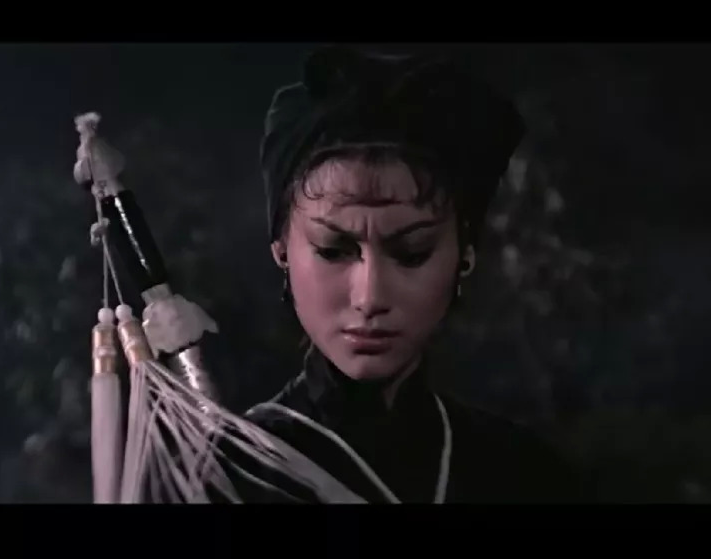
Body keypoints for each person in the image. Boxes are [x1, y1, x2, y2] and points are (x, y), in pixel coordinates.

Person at [223, 45, 587, 504]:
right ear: (282, 253)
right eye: (333, 250)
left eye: (412, 253)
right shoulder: (223, 476)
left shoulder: (525, 475)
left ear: (464, 257)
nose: (370, 297)